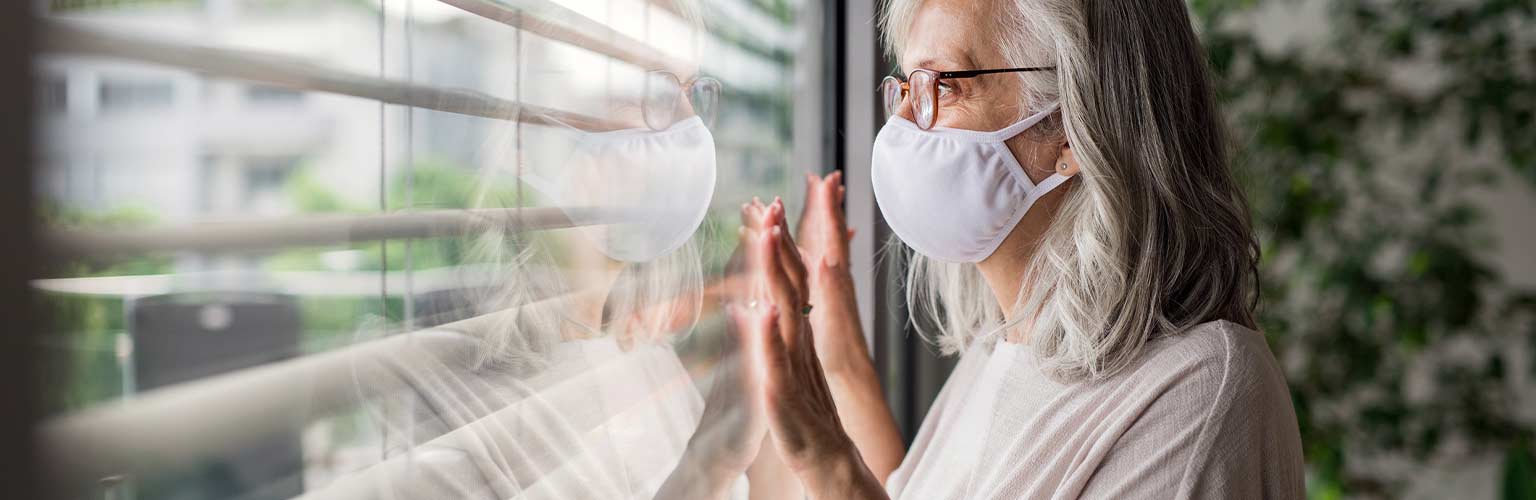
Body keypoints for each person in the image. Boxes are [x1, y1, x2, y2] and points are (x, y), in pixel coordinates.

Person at [685, 0, 1307, 498]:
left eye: (944, 86)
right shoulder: (1006, 346)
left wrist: (826, 459)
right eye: (907, 87)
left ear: (1071, 125)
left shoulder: (1199, 396)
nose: (902, 126)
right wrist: (841, 360)